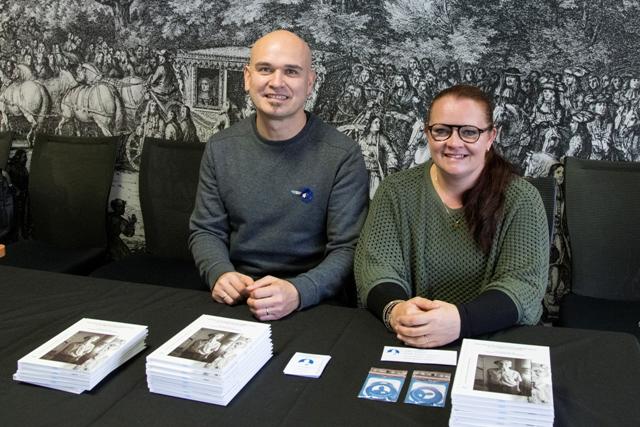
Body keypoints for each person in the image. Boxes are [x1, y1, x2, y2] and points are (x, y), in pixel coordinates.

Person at [189, 30, 368, 321]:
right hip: (237, 297)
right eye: (265, 69)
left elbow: (349, 249)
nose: (276, 82)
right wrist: (220, 273)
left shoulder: (342, 155)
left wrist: (299, 291)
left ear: (310, 82)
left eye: (291, 72)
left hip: (313, 303)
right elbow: (206, 230)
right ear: (248, 77)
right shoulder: (220, 148)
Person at [354, 84, 548, 348]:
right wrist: (397, 311)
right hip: (412, 336)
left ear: (491, 137)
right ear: (427, 133)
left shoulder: (523, 199)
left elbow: (522, 284)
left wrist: (460, 321)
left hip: (494, 337)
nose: (454, 143)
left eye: (469, 132)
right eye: (442, 130)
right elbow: (376, 266)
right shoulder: (395, 190)